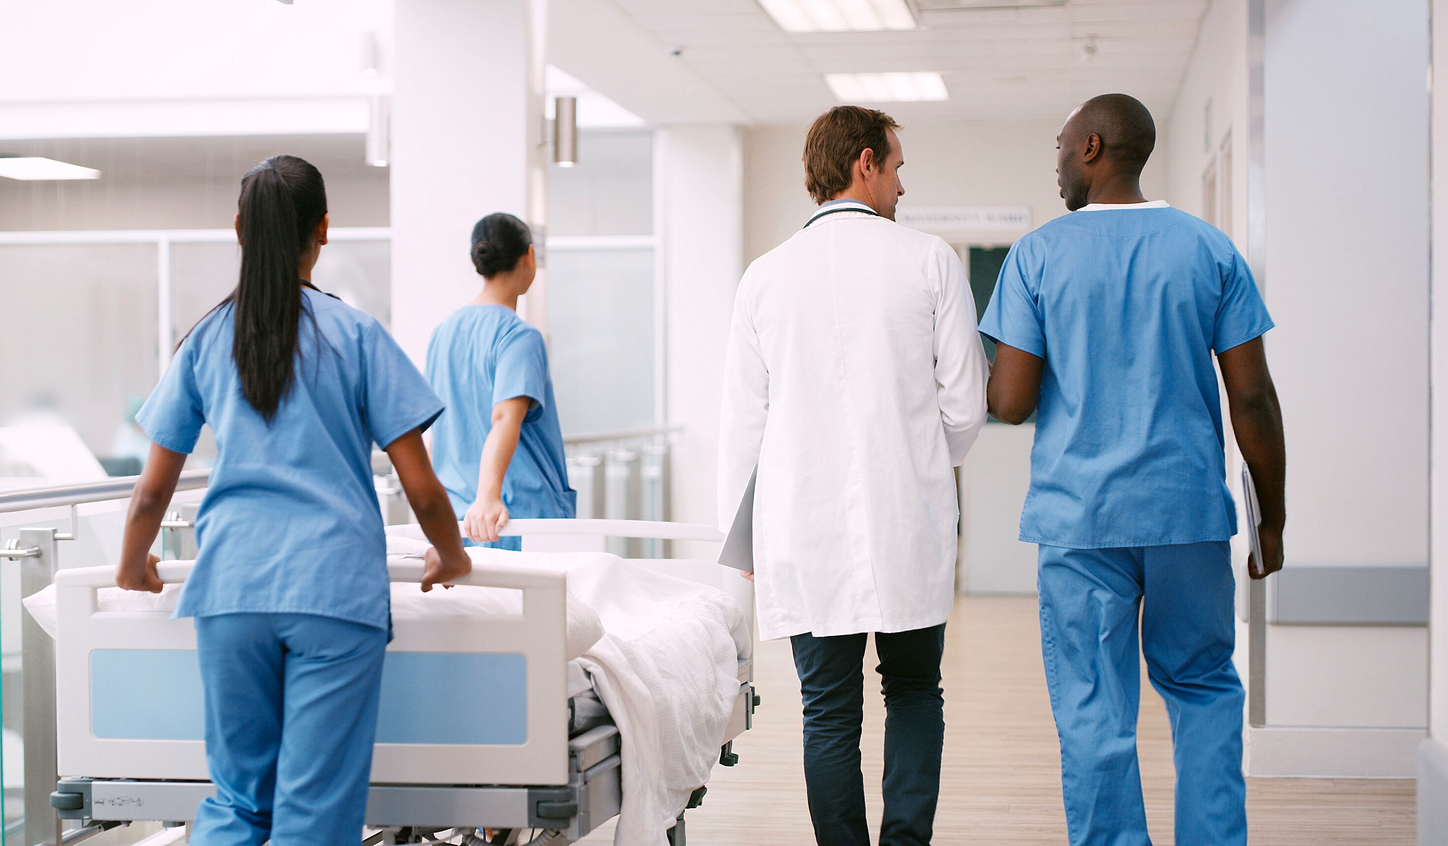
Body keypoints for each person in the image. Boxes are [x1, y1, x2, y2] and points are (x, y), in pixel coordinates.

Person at [114, 154, 472, 846]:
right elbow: (423, 490)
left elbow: (151, 490)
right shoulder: (358, 335)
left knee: (239, 802)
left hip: (230, 591)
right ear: (325, 230)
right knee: (313, 810)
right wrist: (450, 553)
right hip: (333, 593)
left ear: (240, 231)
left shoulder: (206, 338)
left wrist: (133, 564)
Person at [980, 94, 1287, 846]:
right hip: (1186, 513)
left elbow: (1012, 403)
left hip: (1080, 522)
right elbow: (1251, 394)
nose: (1054, 165)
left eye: (1058, 148)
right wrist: (1271, 518)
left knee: (1093, 710)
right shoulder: (1209, 249)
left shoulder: (1037, 255)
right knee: (1205, 690)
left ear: (1091, 146)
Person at [718, 105, 989, 846]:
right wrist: (921, 463)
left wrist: (739, 551)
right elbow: (966, 406)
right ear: (864, 163)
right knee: (912, 692)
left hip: (802, 534)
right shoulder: (932, 261)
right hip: (909, 521)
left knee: (828, 711)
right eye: (897, 167)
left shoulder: (763, 278)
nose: (902, 185)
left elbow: (742, 429)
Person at [426, 212, 575, 549]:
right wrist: (488, 497)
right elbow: (505, 418)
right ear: (530, 256)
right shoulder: (519, 337)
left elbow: (440, 428)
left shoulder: (443, 333)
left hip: (460, 520)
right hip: (512, 518)